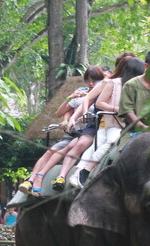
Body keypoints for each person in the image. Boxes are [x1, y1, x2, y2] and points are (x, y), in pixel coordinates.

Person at [17, 66, 106, 195]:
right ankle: (31, 179)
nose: (91, 84)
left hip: (85, 132)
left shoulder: (102, 93)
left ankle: (42, 176)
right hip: (72, 132)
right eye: (89, 80)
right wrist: (70, 98)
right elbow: (61, 112)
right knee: (50, 151)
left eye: (95, 80)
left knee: (69, 147)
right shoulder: (81, 92)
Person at [67, 55, 145, 187]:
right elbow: (98, 102)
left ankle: (78, 174)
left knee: (96, 146)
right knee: (112, 142)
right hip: (112, 123)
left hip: (121, 124)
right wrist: (120, 109)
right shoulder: (112, 83)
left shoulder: (137, 87)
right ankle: (85, 171)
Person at [118, 50, 150, 131]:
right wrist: (142, 127)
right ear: (146, 66)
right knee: (125, 143)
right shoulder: (131, 85)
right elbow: (128, 111)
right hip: (132, 131)